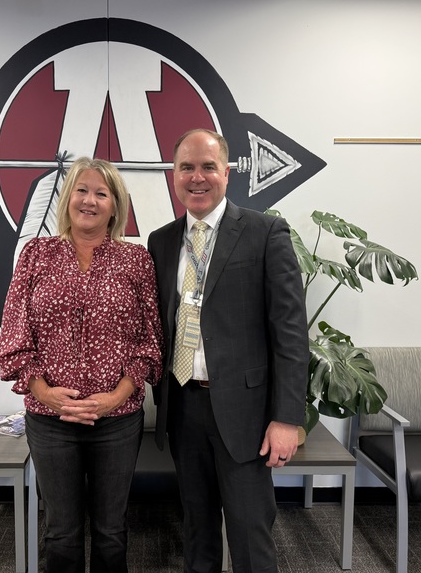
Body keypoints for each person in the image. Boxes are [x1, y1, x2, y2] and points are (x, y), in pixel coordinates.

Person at [147, 129, 309, 573]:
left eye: (208, 167)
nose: (197, 178)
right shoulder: (160, 242)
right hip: (182, 406)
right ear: (173, 174)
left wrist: (287, 418)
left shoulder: (264, 231)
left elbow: (291, 333)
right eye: (186, 167)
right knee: (196, 530)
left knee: (250, 533)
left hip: (246, 412)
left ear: (227, 172)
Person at [0, 157, 163, 573]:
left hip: (118, 420)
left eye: (101, 193)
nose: (89, 200)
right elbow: (15, 335)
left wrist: (116, 397)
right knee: (62, 531)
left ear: (115, 205)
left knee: (111, 530)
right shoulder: (36, 254)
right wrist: (44, 392)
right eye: (81, 190)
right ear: (67, 197)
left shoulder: (136, 260)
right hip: (51, 420)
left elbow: (149, 341)